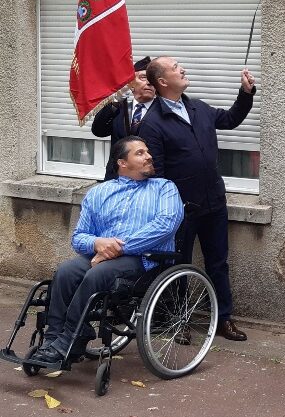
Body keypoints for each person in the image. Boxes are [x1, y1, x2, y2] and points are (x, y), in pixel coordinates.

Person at [32, 137, 183, 365]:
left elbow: (165, 225)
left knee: (97, 274)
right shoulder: (98, 193)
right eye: (140, 153)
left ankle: (68, 342)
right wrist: (98, 244)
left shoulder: (164, 188)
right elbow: (79, 236)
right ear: (122, 163)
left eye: (147, 151)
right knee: (66, 271)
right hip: (101, 257)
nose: (149, 156)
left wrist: (117, 248)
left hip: (145, 260)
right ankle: (52, 340)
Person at [138, 57, 256, 341]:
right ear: (163, 82)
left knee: (218, 263)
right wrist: (171, 207)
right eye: (176, 67)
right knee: (178, 265)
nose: (183, 69)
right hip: (180, 209)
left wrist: (246, 93)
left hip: (213, 202)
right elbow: (157, 174)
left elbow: (230, 119)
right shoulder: (152, 123)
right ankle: (179, 321)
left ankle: (223, 319)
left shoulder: (197, 107)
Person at [91, 56, 155, 179]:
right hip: (117, 179)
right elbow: (98, 131)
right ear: (131, 84)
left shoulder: (163, 112)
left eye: (152, 79)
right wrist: (115, 101)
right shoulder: (120, 109)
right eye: (143, 77)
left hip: (149, 180)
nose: (149, 82)